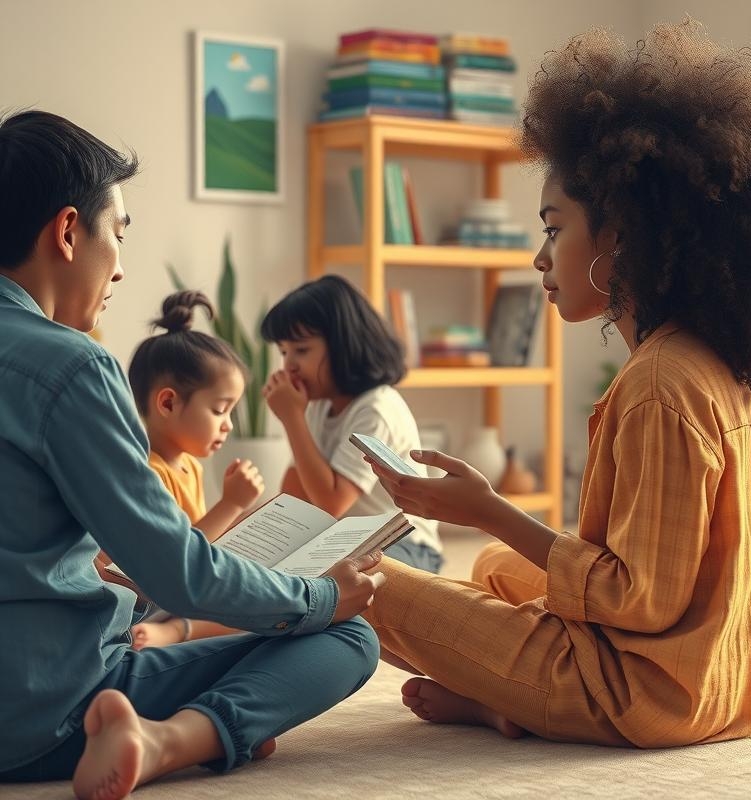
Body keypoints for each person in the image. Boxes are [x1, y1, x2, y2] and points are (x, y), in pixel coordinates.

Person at [359, 21, 751, 746]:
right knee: (493, 569)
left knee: (361, 579)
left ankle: (510, 698)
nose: (540, 257)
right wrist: (496, 529)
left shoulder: (660, 387)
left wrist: (487, 509)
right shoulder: (723, 365)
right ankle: (498, 701)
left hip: (642, 695)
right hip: (742, 682)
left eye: (554, 228)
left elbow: (634, 599)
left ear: (620, 237)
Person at [0, 109, 384, 798]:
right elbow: (179, 571)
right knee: (349, 638)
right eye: (116, 235)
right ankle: (168, 741)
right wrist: (323, 596)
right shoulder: (70, 367)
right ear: (66, 231)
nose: (119, 267)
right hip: (43, 712)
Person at [260, 274, 441, 572]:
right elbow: (295, 498)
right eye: (283, 352)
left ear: (344, 345)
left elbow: (331, 502)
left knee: (329, 582)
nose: (288, 365)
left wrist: (292, 419)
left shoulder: (375, 408)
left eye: (301, 350)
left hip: (403, 545)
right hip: (346, 543)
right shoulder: (317, 407)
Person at [121, 290, 265, 650]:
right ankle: (172, 632)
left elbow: (202, 539)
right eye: (219, 410)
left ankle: (179, 630)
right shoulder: (148, 471)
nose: (228, 424)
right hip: (149, 602)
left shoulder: (188, 465)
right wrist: (230, 504)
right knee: (262, 610)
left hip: (181, 592)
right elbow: (178, 558)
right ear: (168, 402)